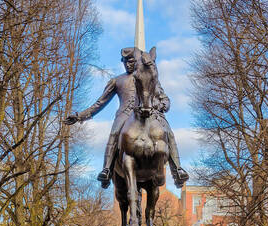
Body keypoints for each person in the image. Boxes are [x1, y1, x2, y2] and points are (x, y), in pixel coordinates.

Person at [64, 47, 189, 188]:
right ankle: (106, 170)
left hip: (149, 113)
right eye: (125, 61)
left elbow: (163, 96)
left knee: (168, 132)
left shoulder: (147, 75)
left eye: (132, 61)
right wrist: (80, 116)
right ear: (122, 62)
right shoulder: (116, 81)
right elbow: (100, 103)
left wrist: (164, 104)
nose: (129, 64)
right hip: (124, 115)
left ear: (137, 61)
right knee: (114, 133)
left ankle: (177, 170)